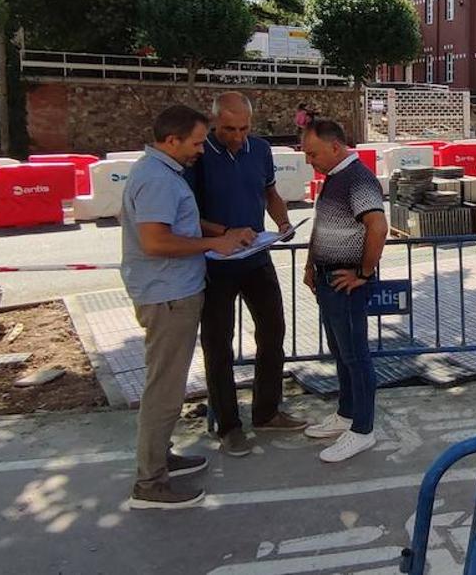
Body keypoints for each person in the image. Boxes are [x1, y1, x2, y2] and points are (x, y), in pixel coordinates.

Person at [121, 105, 254, 510]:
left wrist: (223, 231)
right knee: (165, 389)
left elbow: (180, 224)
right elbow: (157, 241)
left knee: (167, 385)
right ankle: (150, 482)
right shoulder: (158, 179)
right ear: (171, 140)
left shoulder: (162, 173)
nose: (201, 149)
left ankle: (160, 459)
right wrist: (214, 243)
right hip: (168, 296)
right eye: (197, 142)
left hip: (173, 292)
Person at [191, 92, 307, 457]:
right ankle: (228, 425)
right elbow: (186, 217)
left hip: (256, 257)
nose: (238, 136)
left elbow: (270, 193)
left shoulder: (259, 149)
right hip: (215, 263)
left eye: (244, 128)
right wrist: (222, 234)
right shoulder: (198, 155)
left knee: (273, 331)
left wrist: (283, 222)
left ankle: (267, 411)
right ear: (214, 123)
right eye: (229, 129)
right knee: (218, 344)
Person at [300, 119, 388, 463]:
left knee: (355, 356)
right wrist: (310, 266)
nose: (310, 160)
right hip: (327, 280)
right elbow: (323, 226)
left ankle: (362, 430)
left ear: (335, 147)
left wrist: (363, 274)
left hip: (345, 284)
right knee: (341, 353)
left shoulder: (358, 179)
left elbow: (377, 227)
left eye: (313, 153)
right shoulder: (335, 178)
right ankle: (346, 414)